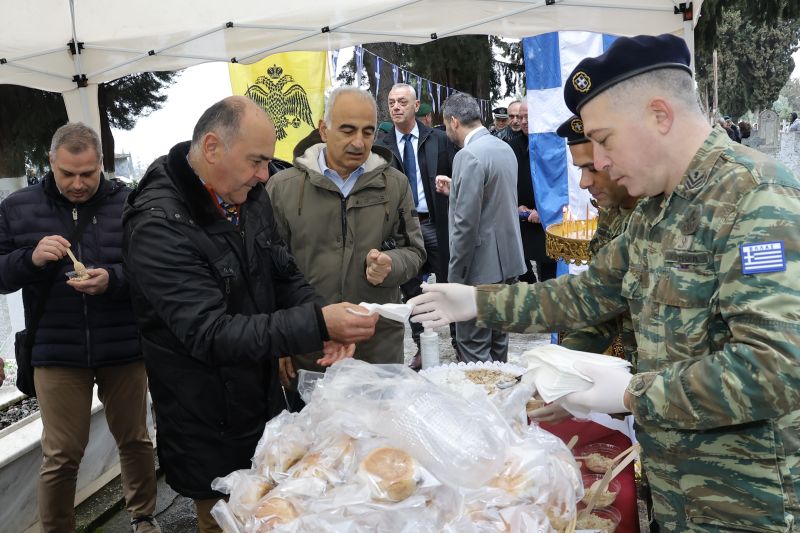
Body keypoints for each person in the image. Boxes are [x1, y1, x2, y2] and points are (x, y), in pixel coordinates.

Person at [411, 34, 800, 532]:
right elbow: (583, 294)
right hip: (676, 489)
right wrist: (476, 301)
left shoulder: (756, 197)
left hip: (748, 504)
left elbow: (776, 368)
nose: (601, 161)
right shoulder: (657, 208)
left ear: (660, 115)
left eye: (605, 139)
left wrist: (633, 393)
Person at [122, 96, 378, 531]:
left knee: (272, 515)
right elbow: (210, 333)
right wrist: (317, 323)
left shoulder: (249, 193)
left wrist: (319, 317)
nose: (265, 175)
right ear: (212, 148)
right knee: (225, 519)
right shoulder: (158, 224)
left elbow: (280, 269)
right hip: (204, 416)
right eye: (256, 162)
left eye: (267, 162)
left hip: (258, 403)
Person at [0, 123, 160, 532]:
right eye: (67, 173)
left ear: (101, 163)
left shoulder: (129, 202)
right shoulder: (17, 207)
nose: (78, 184)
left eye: (88, 173)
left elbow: (153, 270)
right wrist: (30, 258)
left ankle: (143, 517)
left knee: (136, 440)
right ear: (50, 162)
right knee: (61, 453)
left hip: (123, 345)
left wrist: (113, 279)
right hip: (55, 350)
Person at [266, 87, 425, 382]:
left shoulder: (395, 185)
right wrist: (279, 342)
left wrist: (391, 264)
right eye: (348, 130)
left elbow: (414, 251)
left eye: (368, 132)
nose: (358, 142)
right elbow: (268, 271)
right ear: (323, 129)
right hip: (309, 347)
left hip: (376, 348)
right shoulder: (282, 188)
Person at [529, 114, 641, 426]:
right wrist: (561, 377)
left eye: (591, 168)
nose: (583, 183)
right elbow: (601, 308)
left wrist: (631, 395)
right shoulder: (613, 213)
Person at [375, 83, 457, 368]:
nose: (395, 107)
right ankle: (422, 347)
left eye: (401, 102)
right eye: (391, 102)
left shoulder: (438, 140)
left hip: (434, 224)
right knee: (412, 291)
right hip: (402, 230)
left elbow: (456, 176)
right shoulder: (380, 146)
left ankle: (460, 344)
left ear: (415, 105)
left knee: (449, 285)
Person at [442, 92, 526, 363]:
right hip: (508, 263)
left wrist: (455, 278)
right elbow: (494, 202)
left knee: (475, 351)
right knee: (499, 344)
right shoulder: (503, 148)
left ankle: (482, 404)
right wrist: (455, 190)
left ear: (454, 121)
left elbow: (465, 225)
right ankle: (502, 400)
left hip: (479, 270)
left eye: (445, 125)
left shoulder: (468, 156)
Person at [509, 100, 556, 283]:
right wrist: (514, 205)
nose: (523, 121)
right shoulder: (512, 145)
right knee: (523, 269)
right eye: (520, 117)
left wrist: (542, 209)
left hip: (547, 218)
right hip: (521, 217)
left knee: (549, 272)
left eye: (527, 116)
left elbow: (556, 182)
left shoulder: (552, 144)